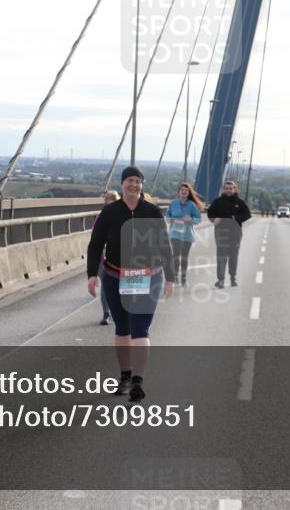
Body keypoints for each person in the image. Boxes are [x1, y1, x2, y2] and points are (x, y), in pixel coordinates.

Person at [87, 166, 175, 402]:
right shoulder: (110, 212)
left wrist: (171, 276)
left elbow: (165, 245)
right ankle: (125, 376)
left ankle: (138, 381)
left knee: (140, 328)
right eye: (129, 181)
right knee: (122, 328)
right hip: (115, 276)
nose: (133, 185)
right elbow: (95, 244)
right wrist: (91, 275)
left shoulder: (152, 211)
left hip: (147, 276)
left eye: (137, 181)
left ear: (142, 185)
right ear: (122, 183)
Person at [207, 180, 252, 288]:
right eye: (226, 188)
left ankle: (233, 278)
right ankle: (221, 280)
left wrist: (236, 218)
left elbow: (247, 214)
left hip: (235, 233)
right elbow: (210, 212)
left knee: (233, 256)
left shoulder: (240, 202)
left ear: (235, 189)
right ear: (224, 189)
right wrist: (214, 219)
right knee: (221, 256)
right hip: (221, 232)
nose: (228, 190)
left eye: (230, 188)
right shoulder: (218, 201)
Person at [165, 182, 203, 286]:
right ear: (179, 192)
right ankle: (175, 277)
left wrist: (191, 219)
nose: (184, 192)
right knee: (176, 255)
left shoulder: (192, 205)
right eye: (182, 190)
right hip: (175, 234)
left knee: (184, 257)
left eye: (186, 190)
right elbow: (167, 215)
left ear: (188, 192)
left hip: (187, 235)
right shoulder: (173, 203)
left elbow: (199, 219)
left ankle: (183, 278)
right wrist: (169, 219)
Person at [94, 190, 120, 325]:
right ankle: (106, 313)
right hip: (103, 258)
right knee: (106, 286)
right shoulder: (100, 218)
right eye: (108, 205)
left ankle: (120, 310)